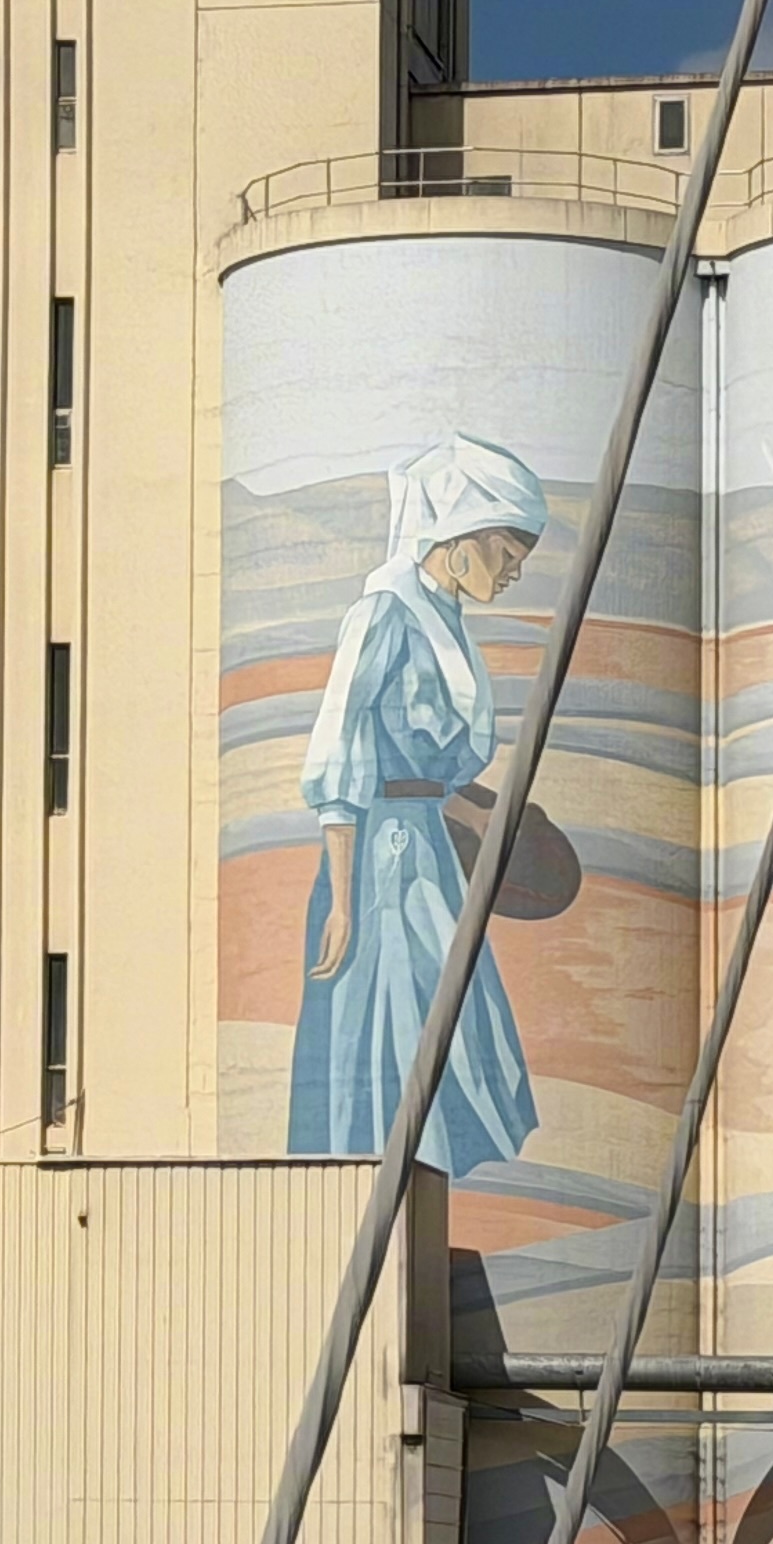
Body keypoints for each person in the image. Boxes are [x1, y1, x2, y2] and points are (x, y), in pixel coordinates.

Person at [288, 433, 546, 1179]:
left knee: (448, 1016)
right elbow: (342, 749)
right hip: (376, 865)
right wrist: (343, 902)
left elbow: (429, 771)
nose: (515, 570)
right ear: (460, 541)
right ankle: (388, 1183)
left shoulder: (445, 621)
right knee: (393, 1022)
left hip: (428, 851)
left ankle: (427, 1182)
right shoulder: (383, 614)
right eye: (506, 551)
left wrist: (476, 821)